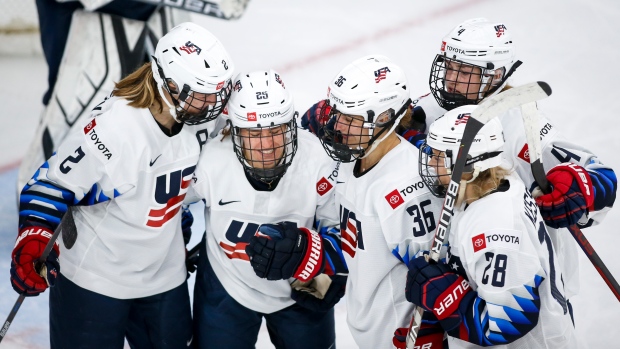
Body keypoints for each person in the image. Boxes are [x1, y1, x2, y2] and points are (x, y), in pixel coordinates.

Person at [11, 22, 234, 348]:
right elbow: (51, 184)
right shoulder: (118, 128)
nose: (213, 105)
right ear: (169, 86)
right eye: (203, 95)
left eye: (216, 93)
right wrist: (34, 238)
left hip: (164, 278)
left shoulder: (200, 121)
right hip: (95, 282)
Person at [406, 17, 617, 302]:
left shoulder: (520, 126)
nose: (452, 79)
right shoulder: (433, 106)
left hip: (526, 275)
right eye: (450, 67)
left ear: (496, 75)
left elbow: (599, 175)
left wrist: (579, 187)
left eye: (466, 71)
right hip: (459, 266)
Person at [245, 55, 448, 348]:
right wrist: (305, 251)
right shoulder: (353, 160)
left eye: (350, 118)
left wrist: (430, 335)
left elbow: (435, 277)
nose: (337, 126)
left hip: (401, 338)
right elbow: (360, 246)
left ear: (384, 118)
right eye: (336, 113)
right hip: (370, 335)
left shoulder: (407, 189)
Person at [185, 69, 345, 349]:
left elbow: (342, 232)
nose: (267, 146)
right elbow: (170, 205)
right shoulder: (210, 161)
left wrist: (325, 265)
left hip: (299, 289)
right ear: (232, 131)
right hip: (227, 286)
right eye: (253, 134)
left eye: (277, 131)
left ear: (292, 126)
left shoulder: (319, 161)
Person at [405, 104, 577, 348]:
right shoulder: (495, 182)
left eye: (438, 157)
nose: (431, 165)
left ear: (467, 167)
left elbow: (507, 322)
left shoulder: (496, 228)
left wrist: (443, 298)